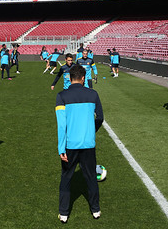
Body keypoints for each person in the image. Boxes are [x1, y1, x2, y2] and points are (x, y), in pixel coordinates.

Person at [55, 64, 104, 223]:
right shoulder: (93, 94)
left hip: (70, 145)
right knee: (91, 177)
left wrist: (61, 148)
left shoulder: (61, 96)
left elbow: (61, 126)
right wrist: (91, 131)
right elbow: (100, 118)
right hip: (88, 144)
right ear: (83, 78)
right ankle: (95, 209)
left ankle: (64, 213)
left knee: (66, 178)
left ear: (69, 78)